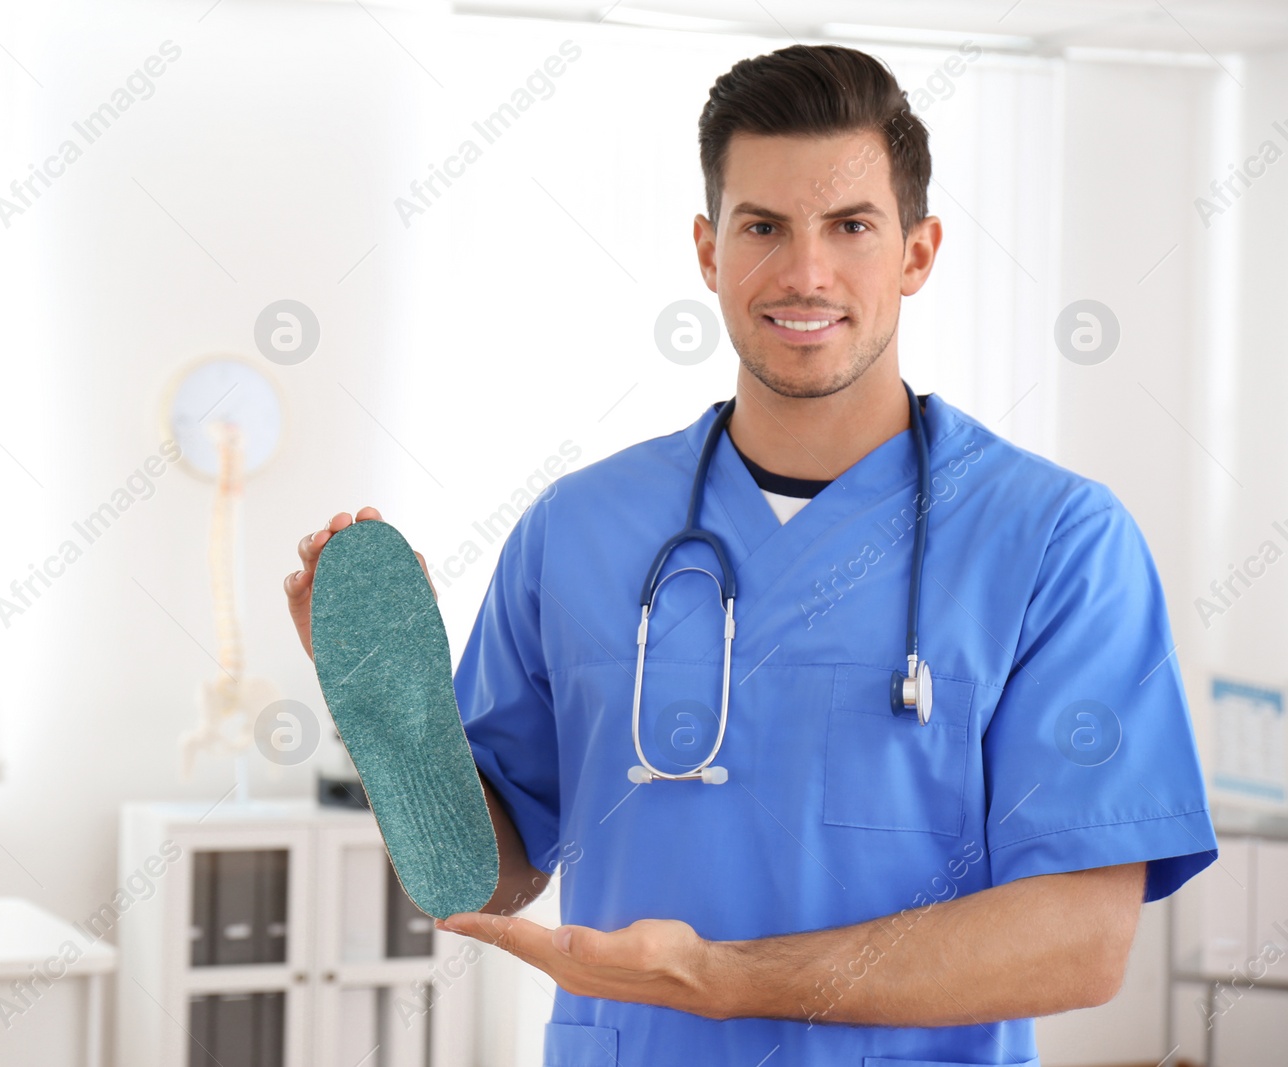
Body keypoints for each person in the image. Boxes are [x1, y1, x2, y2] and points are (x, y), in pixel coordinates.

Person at [284, 42, 1216, 1066]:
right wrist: (396, 733)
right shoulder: (577, 529)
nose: (804, 271)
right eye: (762, 226)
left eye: (850, 226)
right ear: (706, 250)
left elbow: (1077, 942)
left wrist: (723, 981)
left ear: (916, 250)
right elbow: (488, 873)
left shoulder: (1057, 543)